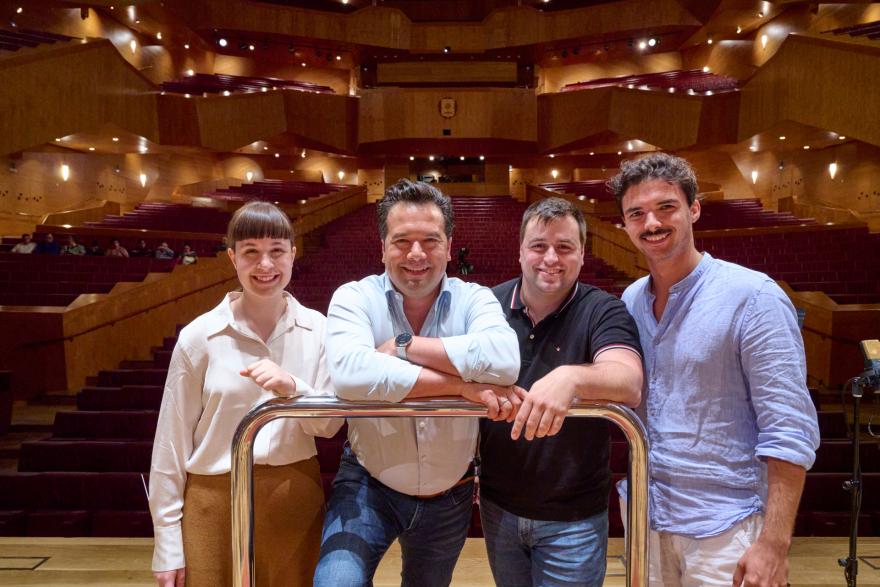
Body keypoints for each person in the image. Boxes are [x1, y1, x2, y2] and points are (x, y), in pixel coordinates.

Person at [609, 152, 820, 586]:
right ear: (625, 225)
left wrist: (774, 543)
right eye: (637, 213)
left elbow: (789, 428)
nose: (652, 223)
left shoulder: (754, 297)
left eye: (666, 207)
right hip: (648, 518)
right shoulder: (629, 302)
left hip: (728, 526)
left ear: (694, 209)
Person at [315, 179, 522, 587]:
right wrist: (461, 386)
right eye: (401, 240)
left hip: (450, 495)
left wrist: (407, 346)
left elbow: (505, 361)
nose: (415, 254)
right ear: (382, 247)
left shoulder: (475, 298)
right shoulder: (353, 297)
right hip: (368, 482)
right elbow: (351, 375)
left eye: (430, 240)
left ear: (448, 245)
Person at [149, 201, 342, 587]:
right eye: (251, 252)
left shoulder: (320, 329)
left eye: (276, 251)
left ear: (293, 253)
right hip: (213, 499)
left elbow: (329, 425)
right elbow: (170, 443)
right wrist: (166, 542)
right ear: (232, 258)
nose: (265, 265)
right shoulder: (199, 337)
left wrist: (293, 389)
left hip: (293, 495)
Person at [479, 197, 644, 587]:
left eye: (564, 247)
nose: (550, 258)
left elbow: (628, 381)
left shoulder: (603, 309)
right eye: (539, 246)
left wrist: (570, 377)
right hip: (499, 507)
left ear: (582, 255)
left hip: (575, 520)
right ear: (520, 251)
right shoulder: (487, 305)